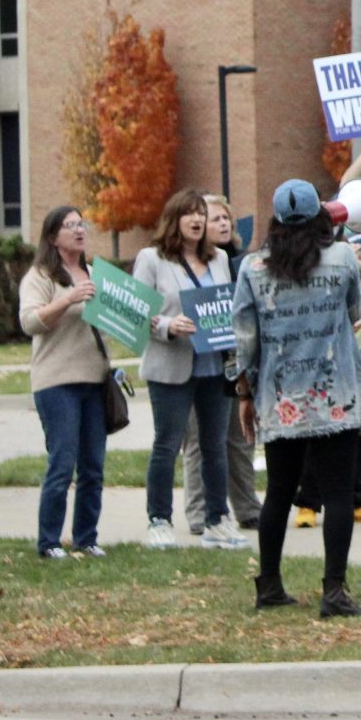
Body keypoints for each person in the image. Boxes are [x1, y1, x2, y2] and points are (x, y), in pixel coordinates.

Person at [234, 180, 361, 616]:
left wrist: (244, 394)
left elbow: (244, 338)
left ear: (275, 220)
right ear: (321, 214)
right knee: (337, 494)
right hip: (336, 394)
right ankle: (334, 591)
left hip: (281, 397)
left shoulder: (252, 269)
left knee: (278, 491)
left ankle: (269, 585)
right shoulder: (341, 259)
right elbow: (356, 313)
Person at [133, 189, 245, 551]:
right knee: (167, 445)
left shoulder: (220, 260)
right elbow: (135, 311)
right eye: (190, 214)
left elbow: (229, 304)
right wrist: (167, 325)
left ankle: (217, 519)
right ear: (175, 218)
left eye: (202, 214)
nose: (198, 220)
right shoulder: (152, 259)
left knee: (215, 445)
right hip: (171, 365)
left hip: (213, 364)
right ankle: (159, 520)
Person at [17, 206, 111, 560]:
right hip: (56, 382)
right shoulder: (40, 276)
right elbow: (30, 322)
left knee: (93, 466)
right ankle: (50, 542)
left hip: (95, 380)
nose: (78, 230)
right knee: (62, 462)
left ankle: (86, 537)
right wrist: (68, 298)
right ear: (53, 237)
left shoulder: (95, 273)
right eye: (70, 226)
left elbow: (118, 317)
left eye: (81, 224)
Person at [183, 194, 262, 534]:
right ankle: (199, 512)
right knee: (200, 440)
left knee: (241, 437)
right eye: (214, 218)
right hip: (198, 364)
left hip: (237, 360)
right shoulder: (188, 265)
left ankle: (247, 508)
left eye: (225, 218)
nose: (222, 223)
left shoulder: (245, 263)